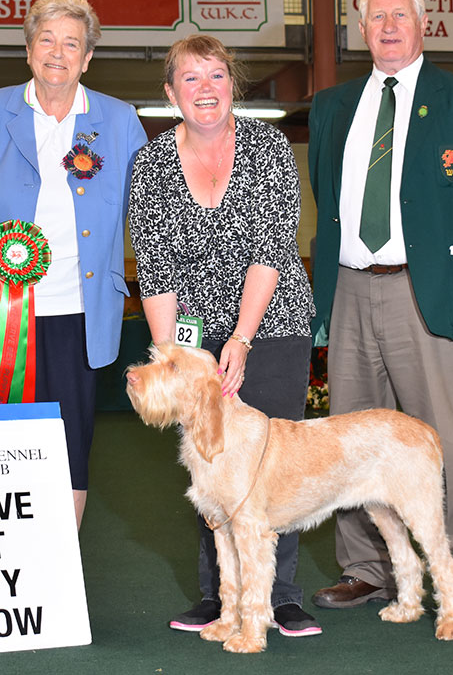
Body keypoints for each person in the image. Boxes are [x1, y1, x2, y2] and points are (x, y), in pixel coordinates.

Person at [308, 0, 453, 619]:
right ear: (360, 30)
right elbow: (327, 204)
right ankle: (367, 568)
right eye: (376, 17)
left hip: (434, 294)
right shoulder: (333, 107)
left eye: (401, 15)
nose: (388, 26)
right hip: (351, 292)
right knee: (354, 444)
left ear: (423, 24)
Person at [128, 34, 320, 637]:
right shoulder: (153, 163)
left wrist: (239, 339)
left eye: (216, 76)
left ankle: (280, 596)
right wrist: (171, 360)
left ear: (232, 84)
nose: (205, 89)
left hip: (271, 320)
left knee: (270, 465)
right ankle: (218, 597)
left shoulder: (268, 148)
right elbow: (156, 269)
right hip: (192, 329)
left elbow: (272, 249)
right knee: (208, 459)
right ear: (170, 92)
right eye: (190, 78)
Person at [0, 0, 147, 529]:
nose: (57, 53)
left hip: (79, 315)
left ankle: (55, 576)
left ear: (87, 58)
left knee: (69, 452)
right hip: (4, 315)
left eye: (72, 43)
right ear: (28, 49)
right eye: (47, 40)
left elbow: (151, 213)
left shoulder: (118, 119)